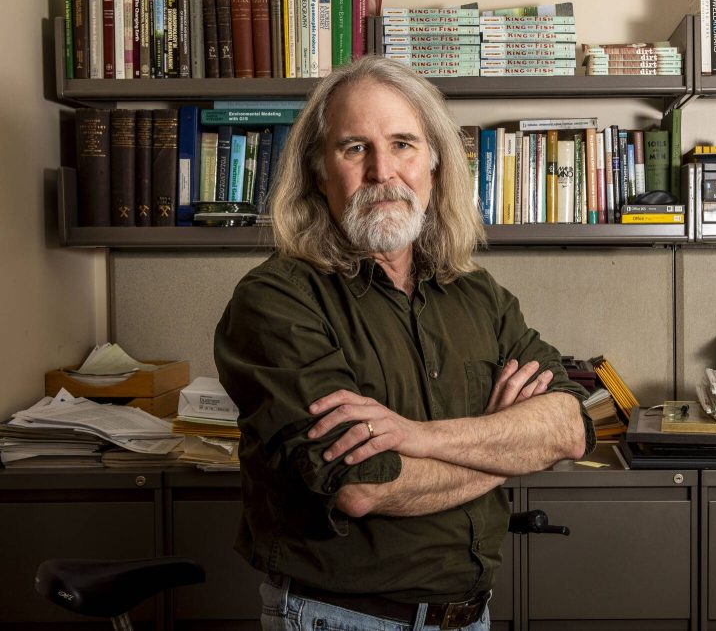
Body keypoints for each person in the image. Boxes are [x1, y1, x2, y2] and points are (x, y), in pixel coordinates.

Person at [214, 55, 595, 631]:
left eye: (403, 144)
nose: (382, 172)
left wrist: (418, 437)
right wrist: (506, 449)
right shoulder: (276, 299)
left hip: (471, 617)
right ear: (319, 172)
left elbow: (568, 428)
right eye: (354, 148)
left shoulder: (477, 295)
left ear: (435, 167)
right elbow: (362, 487)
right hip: (339, 619)